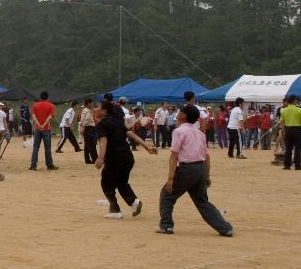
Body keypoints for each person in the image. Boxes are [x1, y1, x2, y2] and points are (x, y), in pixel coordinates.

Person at [156, 102, 234, 237]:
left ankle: (166, 225)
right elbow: (207, 157)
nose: (178, 113)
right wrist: (207, 176)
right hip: (200, 168)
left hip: (187, 169)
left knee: (167, 195)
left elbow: (174, 156)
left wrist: (170, 178)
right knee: (202, 201)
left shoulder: (179, 131)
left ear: (184, 116)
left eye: (181, 111)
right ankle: (225, 228)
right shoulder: (199, 133)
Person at [95, 97, 158, 219]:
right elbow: (130, 133)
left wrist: (100, 158)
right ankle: (134, 202)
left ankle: (115, 211)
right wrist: (147, 147)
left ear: (104, 110)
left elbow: (103, 141)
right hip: (128, 157)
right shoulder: (116, 121)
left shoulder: (103, 123)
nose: (95, 109)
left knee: (106, 183)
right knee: (121, 182)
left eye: (98, 107)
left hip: (115, 158)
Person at [29, 92, 58, 171]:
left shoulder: (35, 105)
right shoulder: (51, 105)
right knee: (47, 148)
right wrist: (43, 125)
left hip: (37, 129)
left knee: (36, 147)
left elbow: (33, 116)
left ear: (40, 97)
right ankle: (49, 165)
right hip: (46, 129)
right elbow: (49, 117)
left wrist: (39, 125)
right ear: (47, 97)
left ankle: (33, 165)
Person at [280, 95, 301, 171]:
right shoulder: (299, 110)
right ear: (294, 101)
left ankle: (287, 165)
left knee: (288, 149)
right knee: (297, 149)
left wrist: (284, 132)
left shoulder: (284, 110)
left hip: (287, 130)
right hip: (297, 130)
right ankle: (297, 165)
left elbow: (282, 123)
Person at [80, 99, 98, 164]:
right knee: (92, 144)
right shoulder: (88, 111)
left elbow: (82, 120)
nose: (92, 104)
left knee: (87, 144)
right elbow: (86, 120)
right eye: (91, 103)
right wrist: (84, 127)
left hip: (87, 128)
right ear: (88, 103)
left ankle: (87, 159)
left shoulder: (84, 110)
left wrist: (82, 128)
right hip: (89, 128)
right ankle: (95, 159)